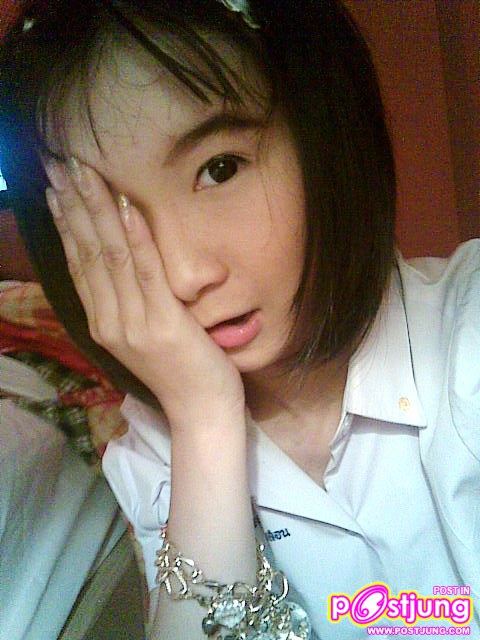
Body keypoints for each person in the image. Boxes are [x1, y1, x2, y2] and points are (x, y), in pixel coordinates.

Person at [0, 1, 478, 638]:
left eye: (218, 169)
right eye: (115, 221)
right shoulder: (152, 459)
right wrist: (203, 420)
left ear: (324, 134)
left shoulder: (465, 334)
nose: (184, 275)